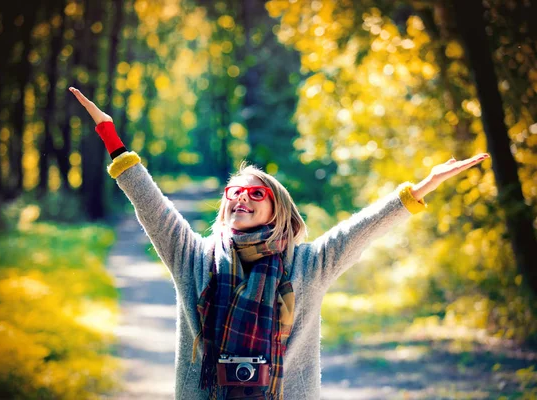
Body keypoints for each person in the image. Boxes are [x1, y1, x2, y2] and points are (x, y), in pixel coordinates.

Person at [69, 86, 490, 400]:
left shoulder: (308, 264)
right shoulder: (193, 256)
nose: (242, 198)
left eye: (256, 193)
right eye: (235, 191)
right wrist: (110, 136)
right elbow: (152, 206)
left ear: (279, 211)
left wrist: (422, 187)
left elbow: (364, 227)